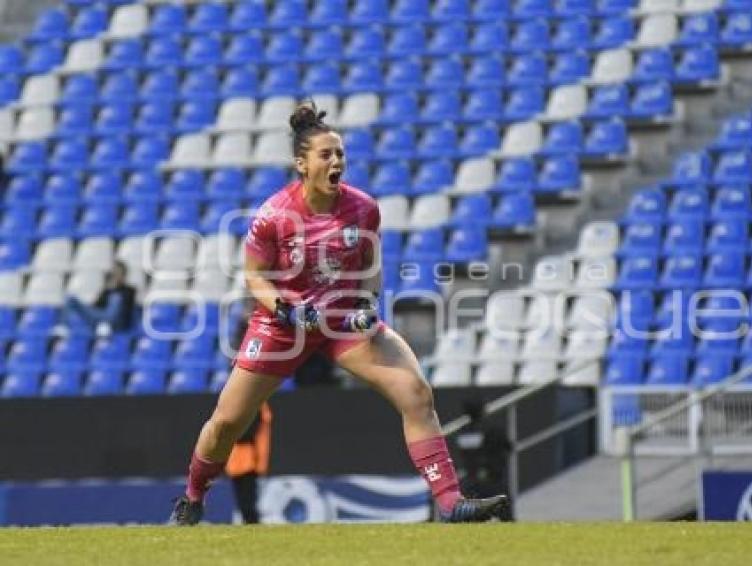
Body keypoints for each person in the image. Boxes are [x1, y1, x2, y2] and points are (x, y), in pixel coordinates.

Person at [169, 101, 507, 525]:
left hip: (341, 323)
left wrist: (367, 305)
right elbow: (254, 278)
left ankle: (450, 502)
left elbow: (371, 266)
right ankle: (193, 497)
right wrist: (287, 309)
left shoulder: (364, 208)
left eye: (340, 154)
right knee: (227, 423)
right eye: (326, 154)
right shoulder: (273, 216)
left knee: (417, 395)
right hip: (283, 326)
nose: (337, 161)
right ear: (301, 163)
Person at [454, 399, 514, 521]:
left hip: (471, 484)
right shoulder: (493, 430)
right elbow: (508, 447)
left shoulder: (463, 433)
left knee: (474, 522)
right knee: (506, 520)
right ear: (483, 410)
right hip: (493, 482)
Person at [59, 260, 136, 336]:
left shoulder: (130, 290)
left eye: (117, 273)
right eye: (114, 273)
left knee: (116, 298)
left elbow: (125, 311)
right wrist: (106, 290)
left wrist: (115, 289)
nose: (115, 275)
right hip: (100, 317)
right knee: (71, 299)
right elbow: (96, 305)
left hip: (116, 322)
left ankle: (105, 326)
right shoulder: (107, 289)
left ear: (123, 275)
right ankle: (62, 327)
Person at [225, 402, 272, 524]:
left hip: (249, 460)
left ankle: (253, 525)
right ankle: (250, 525)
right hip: (237, 461)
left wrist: (229, 431)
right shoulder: (247, 406)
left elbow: (248, 433)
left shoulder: (255, 407)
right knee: (243, 502)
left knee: (248, 502)